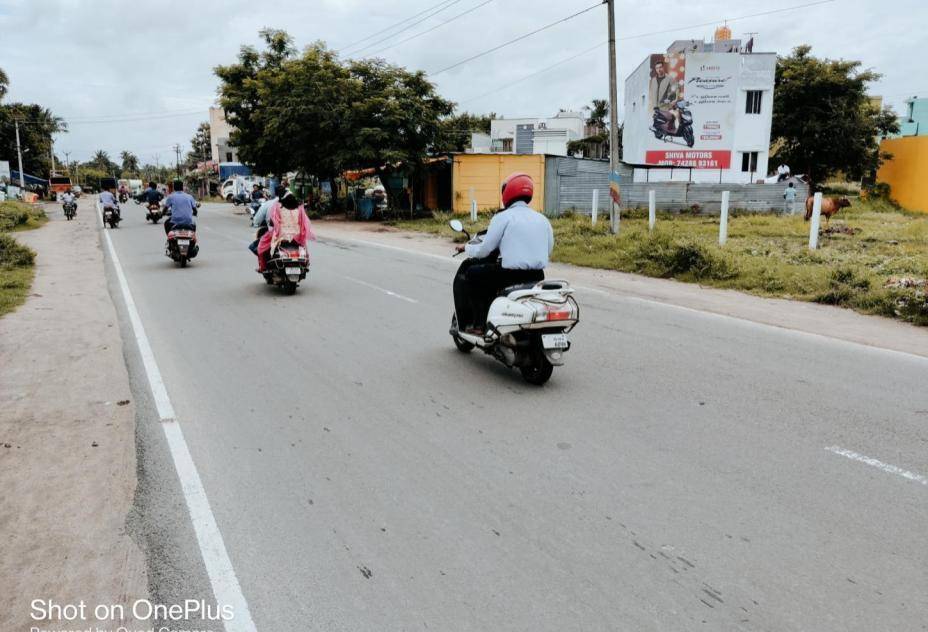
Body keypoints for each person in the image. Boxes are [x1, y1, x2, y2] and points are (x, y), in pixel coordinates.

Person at [453, 173, 554, 335]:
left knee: (473, 273)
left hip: (509, 275)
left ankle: (479, 324)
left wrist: (467, 248)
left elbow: (484, 250)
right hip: (537, 275)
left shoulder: (503, 217)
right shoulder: (543, 219)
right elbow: (548, 249)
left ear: (508, 192)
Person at [255, 191, 315, 272]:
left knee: (261, 246)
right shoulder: (300, 208)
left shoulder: (278, 207)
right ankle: (306, 262)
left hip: (281, 236)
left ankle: (262, 267)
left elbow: (274, 221)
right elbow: (303, 223)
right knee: (304, 245)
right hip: (296, 237)